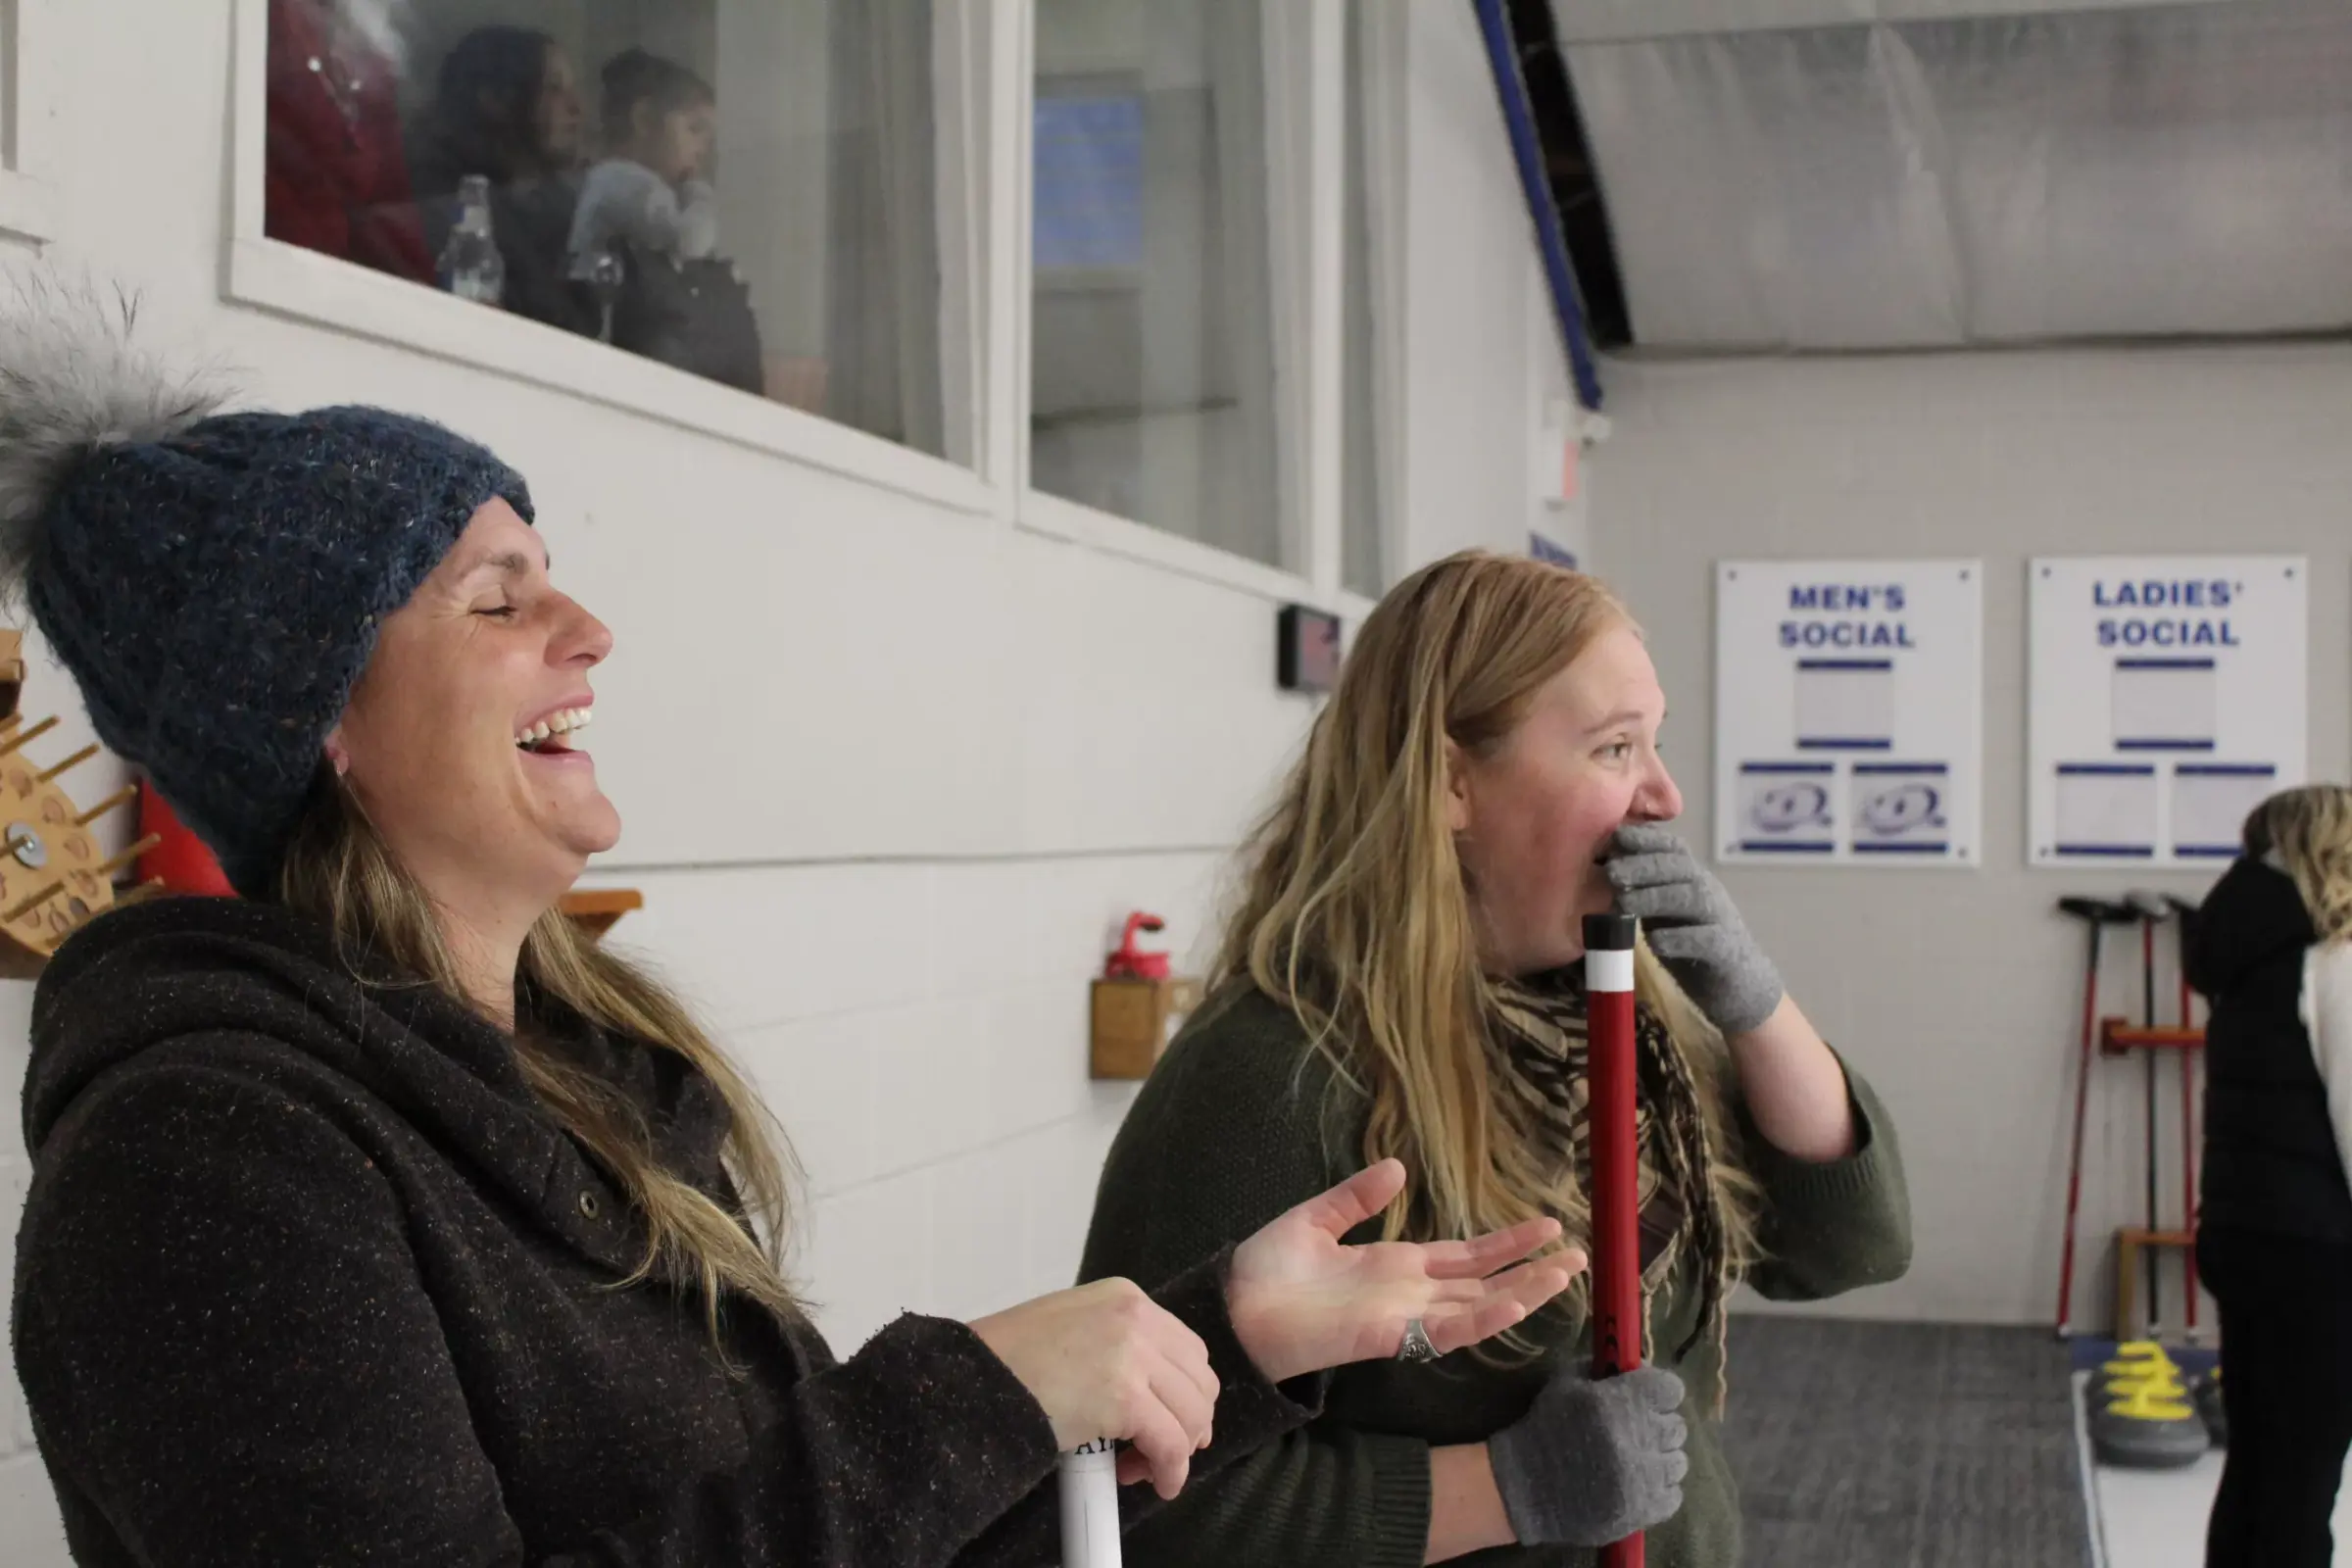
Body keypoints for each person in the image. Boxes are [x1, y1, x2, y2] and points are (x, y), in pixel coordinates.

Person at [0, 284, 1578, 1566]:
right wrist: (973, 1399)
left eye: (556, 577)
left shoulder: (580, 1068)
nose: (590, 631)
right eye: (498, 600)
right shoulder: (204, 1159)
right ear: (316, 723)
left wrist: (1213, 1341)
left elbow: (838, 1531)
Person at [1080, 551, 1914, 1566]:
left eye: (1657, 744)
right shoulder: (1270, 1076)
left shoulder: (1625, 1013)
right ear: (1450, 782)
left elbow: (1851, 1246)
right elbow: (1145, 1504)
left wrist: (1758, 1008)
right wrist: (1501, 1489)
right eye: (1614, 749)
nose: (1665, 795)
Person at [2187, 783, 2352, 1568]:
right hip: (2322, 1260)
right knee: (2300, 1488)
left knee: (2259, 1472)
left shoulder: (2249, 961)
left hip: (2248, 1238)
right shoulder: (2336, 961)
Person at [567, 48, 765, 396]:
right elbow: (689, 242)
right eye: (694, 129)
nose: (703, 148)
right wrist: (700, 193)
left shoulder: (627, 186)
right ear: (643, 120)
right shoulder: (625, 184)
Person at [410, 25, 597, 337]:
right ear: (495, 99)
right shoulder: (446, 210)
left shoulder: (564, 213)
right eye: (554, 88)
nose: (577, 107)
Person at [264, 0, 434, 282]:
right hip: (274, 272)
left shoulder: (372, 58)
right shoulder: (274, 21)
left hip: (345, 287)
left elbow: (392, 201)